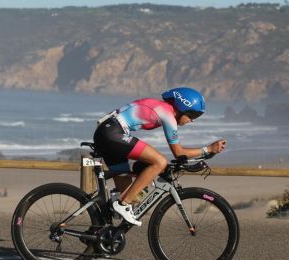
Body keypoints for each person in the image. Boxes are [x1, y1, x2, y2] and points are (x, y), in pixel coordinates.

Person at [93, 87, 226, 226]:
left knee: (129, 194)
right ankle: (121, 205)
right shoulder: (167, 114)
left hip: (107, 131)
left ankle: (100, 231)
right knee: (160, 162)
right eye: (193, 115)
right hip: (113, 133)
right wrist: (208, 149)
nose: (192, 120)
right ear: (183, 107)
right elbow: (179, 153)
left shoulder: (161, 107)